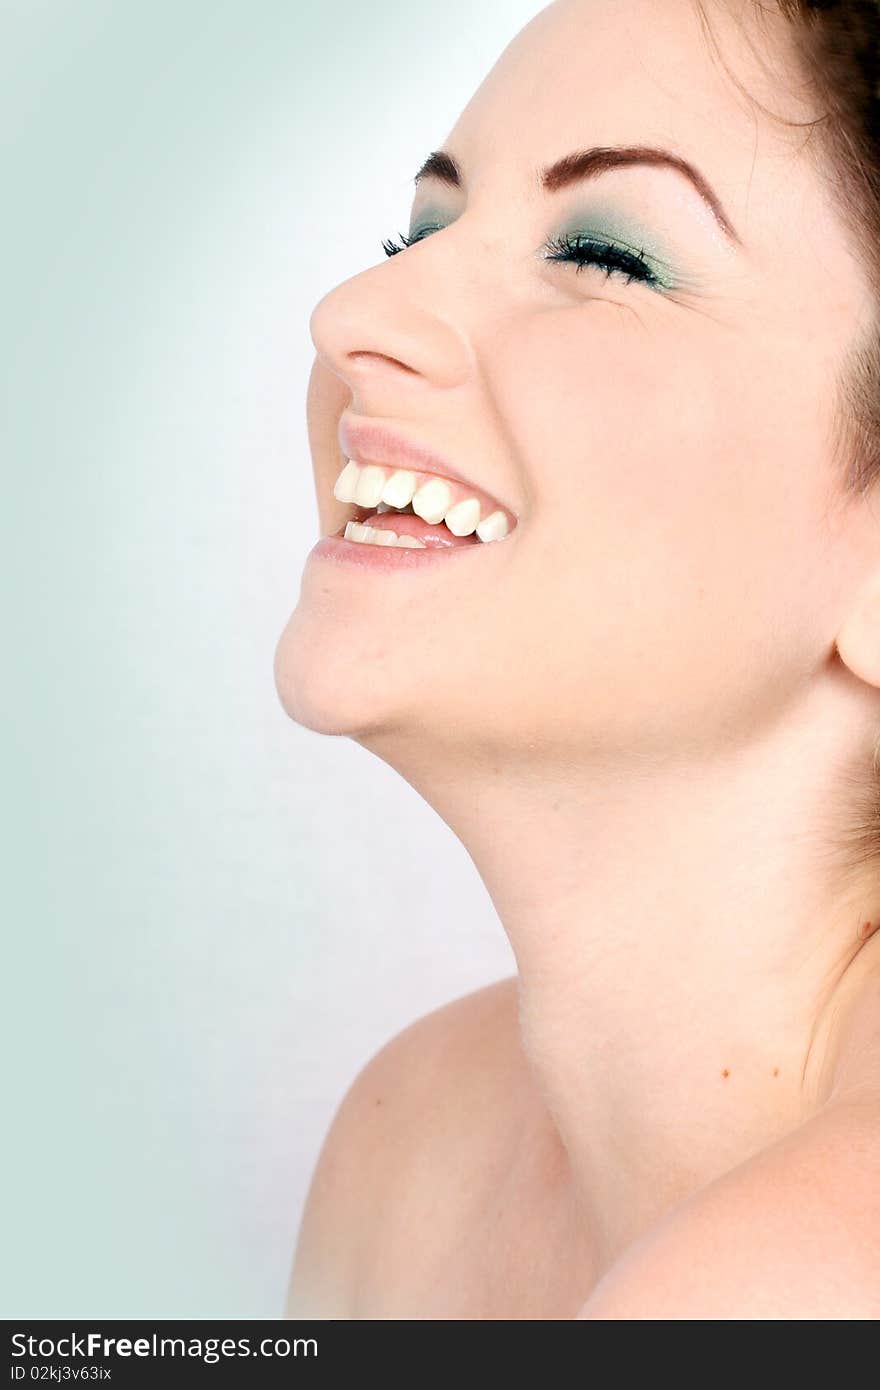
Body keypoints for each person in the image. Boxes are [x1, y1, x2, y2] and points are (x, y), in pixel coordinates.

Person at [274, 0, 880, 1318]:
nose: (354, 311)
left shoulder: (811, 1287)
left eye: (604, 253)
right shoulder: (407, 1142)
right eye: (421, 228)